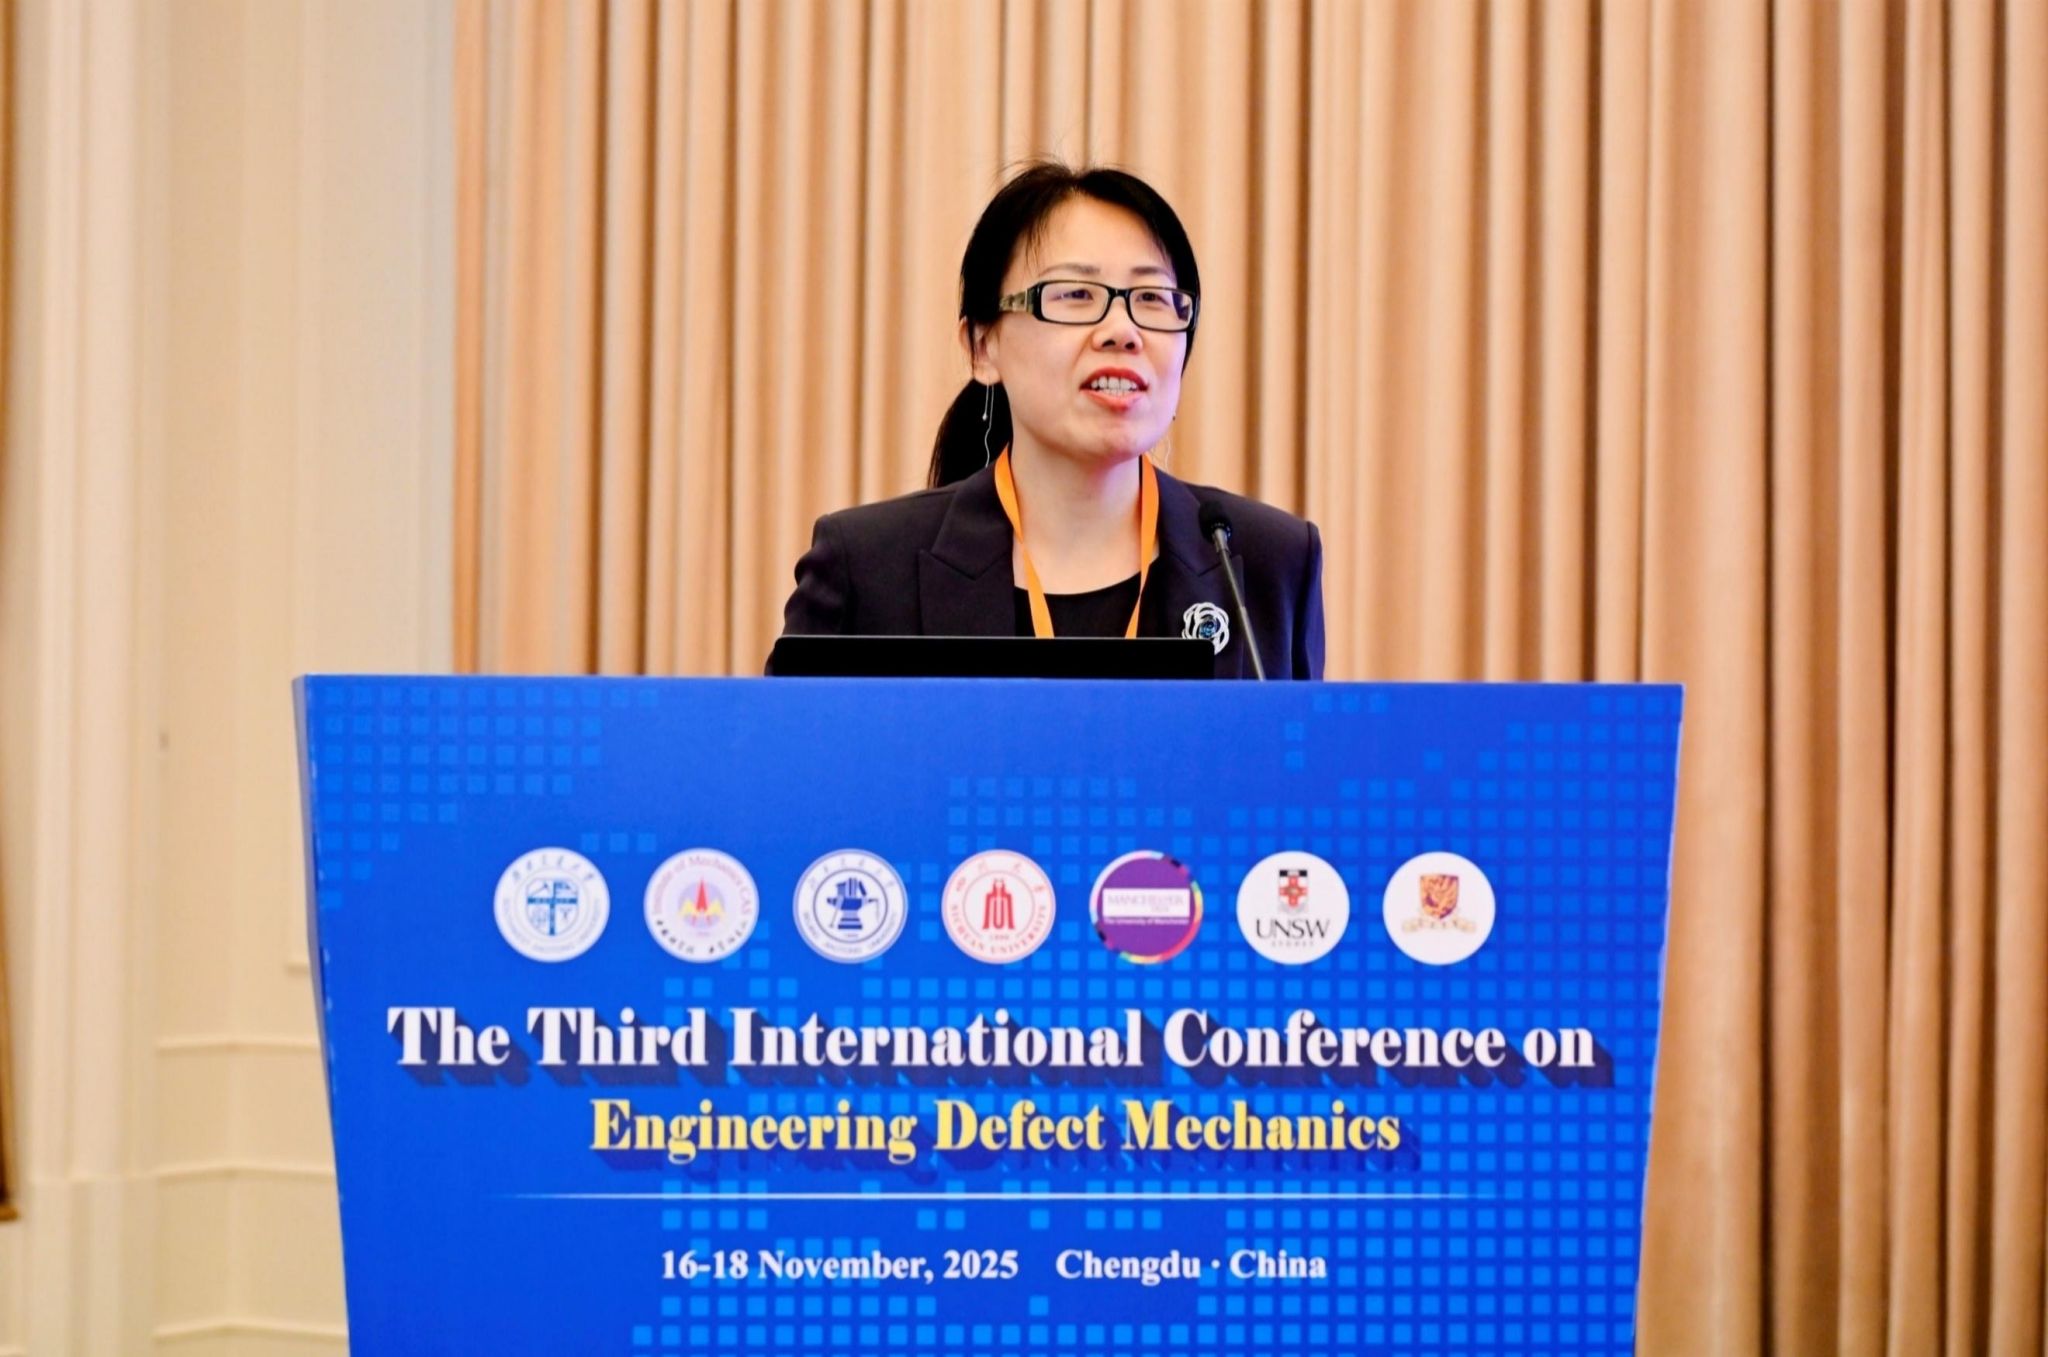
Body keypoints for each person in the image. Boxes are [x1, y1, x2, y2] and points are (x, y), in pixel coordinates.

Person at [776, 161, 1324, 679]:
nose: (1122, 331)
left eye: (1152, 298)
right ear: (982, 347)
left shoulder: (1269, 562)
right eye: (1076, 294)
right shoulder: (866, 567)